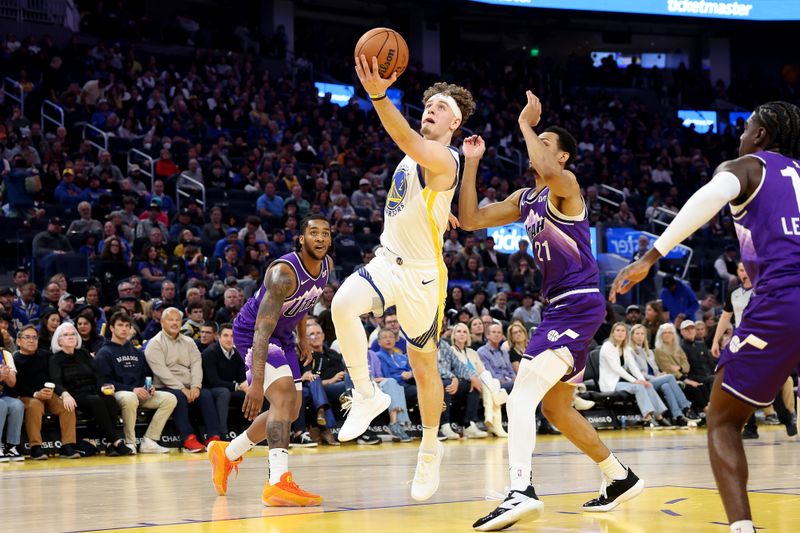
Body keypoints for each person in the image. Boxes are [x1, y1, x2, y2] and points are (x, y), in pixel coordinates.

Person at [610, 101, 800, 533]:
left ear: (763, 136)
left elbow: (708, 198)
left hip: (784, 299)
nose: (741, 134)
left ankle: (741, 528)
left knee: (722, 421)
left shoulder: (748, 166)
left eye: (747, 126)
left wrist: (650, 257)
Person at [459, 91, 642, 531]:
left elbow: (545, 167)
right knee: (557, 409)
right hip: (560, 307)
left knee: (521, 398)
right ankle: (619, 477)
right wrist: (472, 163)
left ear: (560, 155)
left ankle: (520, 490)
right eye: (534, 139)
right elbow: (469, 219)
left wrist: (525, 123)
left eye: (544, 141)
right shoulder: (526, 199)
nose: (535, 146)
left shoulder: (567, 187)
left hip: (576, 304)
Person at [330, 57, 475, 502]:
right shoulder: (419, 158)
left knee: (423, 365)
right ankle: (366, 393)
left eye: (442, 105)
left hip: (423, 279)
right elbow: (420, 192)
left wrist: (377, 94)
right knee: (341, 306)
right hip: (387, 260)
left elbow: (407, 139)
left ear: (455, 122)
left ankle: (430, 446)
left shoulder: (446, 156)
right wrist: (439, 213)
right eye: (428, 102)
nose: (430, 107)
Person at [208, 215, 332, 507]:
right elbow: (261, 332)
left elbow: (304, 303)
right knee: (283, 398)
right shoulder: (283, 273)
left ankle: (226, 454)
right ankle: (277, 482)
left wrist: (302, 338)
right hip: (254, 334)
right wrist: (257, 382)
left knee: (288, 411)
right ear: (301, 239)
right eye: (313, 233)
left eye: (325, 233)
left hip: (285, 336)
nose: (320, 238)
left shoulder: (325, 267)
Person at [145, 307, 223, 452]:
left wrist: (195, 386)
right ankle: (188, 438)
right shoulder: (155, 343)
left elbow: (196, 364)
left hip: (189, 386)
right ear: (162, 322)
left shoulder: (189, 342)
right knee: (179, 397)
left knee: (205, 395)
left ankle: (214, 437)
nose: (175, 323)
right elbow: (161, 371)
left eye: (177, 320)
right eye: (170, 320)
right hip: (165, 386)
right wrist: (181, 388)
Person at [96, 312, 175, 454]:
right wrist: (133, 389)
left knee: (169, 398)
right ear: (112, 328)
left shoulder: (137, 351)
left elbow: (146, 374)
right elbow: (105, 382)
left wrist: (148, 387)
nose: (124, 329)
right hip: (118, 394)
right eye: (120, 325)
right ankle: (130, 442)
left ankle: (149, 440)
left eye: (127, 325)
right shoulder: (104, 352)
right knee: (130, 397)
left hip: (139, 392)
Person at [49, 323, 132, 457]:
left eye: (73, 334)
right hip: (75, 394)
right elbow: (56, 382)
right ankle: (116, 441)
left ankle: (110, 445)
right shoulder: (55, 359)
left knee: (110, 399)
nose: (70, 337)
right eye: (65, 335)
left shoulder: (84, 353)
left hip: (93, 391)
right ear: (58, 340)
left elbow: (98, 375)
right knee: (97, 401)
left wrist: (103, 386)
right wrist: (65, 394)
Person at [12, 325, 80, 459]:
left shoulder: (46, 355)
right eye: (27, 337)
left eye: (34, 337)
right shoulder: (15, 359)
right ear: (18, 341)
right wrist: (36, 394)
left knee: (66, 405)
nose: (31, 340)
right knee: (35, 406)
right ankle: (35, 447)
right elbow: (17, 385)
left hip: (49, 393)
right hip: (27, 395)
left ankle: (67, 445)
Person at [599, 323, 671, 428]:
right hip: (611, 383)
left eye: (623, 331)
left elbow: (633, 367)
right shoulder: (607, 347)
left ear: (626, 334)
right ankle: (647, 418)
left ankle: (659, 417)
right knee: (638, 387)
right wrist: (635, 381)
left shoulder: (626, 348)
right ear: (613, 333)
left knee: (647, 385)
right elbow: (616, 368)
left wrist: (642, 380)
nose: (620, 333)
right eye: (617, 330)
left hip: (623, 381)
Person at [629, 324, 694, 426]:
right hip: (643, 381)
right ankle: (686, 406)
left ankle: (678, 416)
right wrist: (656, 377)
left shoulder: (649, 352)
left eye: (642, 334)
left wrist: (659, 374)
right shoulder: (630, 351)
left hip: (654, 380)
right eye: (637, 333)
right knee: (670, 377)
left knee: (666, 385)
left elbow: (655, 370)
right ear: (632, 336)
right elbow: (637, 373)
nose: (640, 336)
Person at [201, 323, 248, 438]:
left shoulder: (237, 354)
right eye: (225, 335)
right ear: (218, 337)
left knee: (248, 394)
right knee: (223, 393)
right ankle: (222, 433)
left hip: (228, 387)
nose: (229, 339)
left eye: (232, 336)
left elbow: (242, 378)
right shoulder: (210, 353)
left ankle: (247, 432)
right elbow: (214, 381)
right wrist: (238, 386)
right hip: (208, 389)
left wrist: (247, 386)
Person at [0, 347, 24, 461]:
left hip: (3, 395)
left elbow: (12, 383)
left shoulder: (5, 354)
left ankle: (12, 446)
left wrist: (6, 374)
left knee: (17, 405)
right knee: (1, 405)